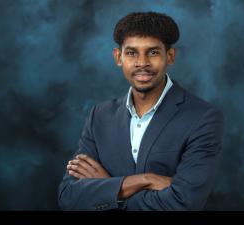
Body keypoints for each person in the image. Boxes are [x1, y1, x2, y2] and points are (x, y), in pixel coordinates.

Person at [58, 12, 223, 211]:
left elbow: (185, 203)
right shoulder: (99, 116)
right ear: (118, 57)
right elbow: (69, 196)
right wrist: (146, 179)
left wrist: (109, 189)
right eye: (132, 53)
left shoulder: (202, 117)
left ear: (170, 56)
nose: (142, 63)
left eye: (153, 52)